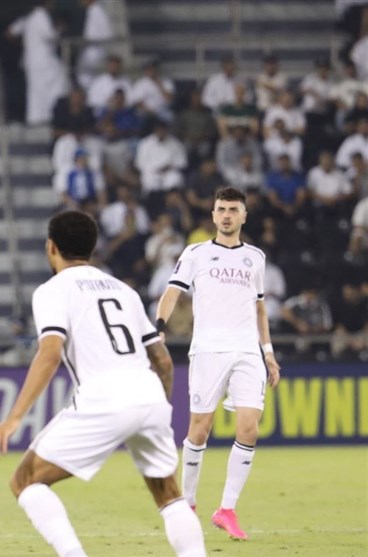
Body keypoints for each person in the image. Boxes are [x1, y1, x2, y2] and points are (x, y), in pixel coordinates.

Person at [0, 210, 206, 557]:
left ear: (51, 247)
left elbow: (49, 353)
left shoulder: (52, 290)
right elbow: (162, 359)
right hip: (149, 394)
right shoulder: (124, 290)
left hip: (104, 396)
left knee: (25, 481)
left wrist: (14, 418)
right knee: (169, 496)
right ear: (91, 248)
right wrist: (159, 406)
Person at [155, 187, 282, 541]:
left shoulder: (255, 257)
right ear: (212, 215)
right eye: (221, 209)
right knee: (199, 428)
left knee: (249, 428)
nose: (226, 215)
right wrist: (159, 329)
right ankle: (189, 504)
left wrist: (268, 352)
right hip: (208, 351)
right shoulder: (195, 253)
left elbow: (259, 308)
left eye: (233, 210)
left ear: (244, 216)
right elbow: (171, 293)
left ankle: (226, 509)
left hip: (247, 352)